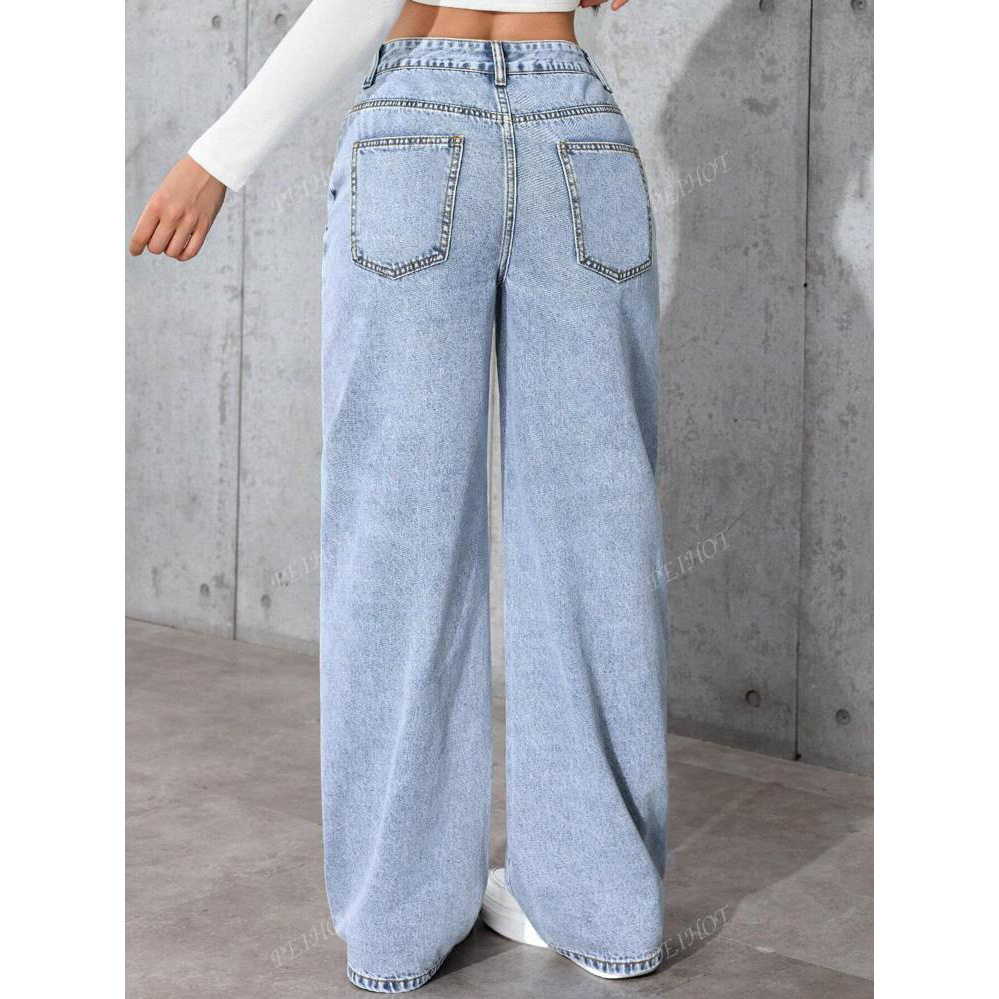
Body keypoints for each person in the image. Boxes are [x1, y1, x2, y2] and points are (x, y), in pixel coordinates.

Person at [130, 1, 668, 992]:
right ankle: (604, 909)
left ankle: (399, 923)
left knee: (398, 540)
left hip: (420, 132)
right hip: (579, 136)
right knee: (598, 541)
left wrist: (218, 157)